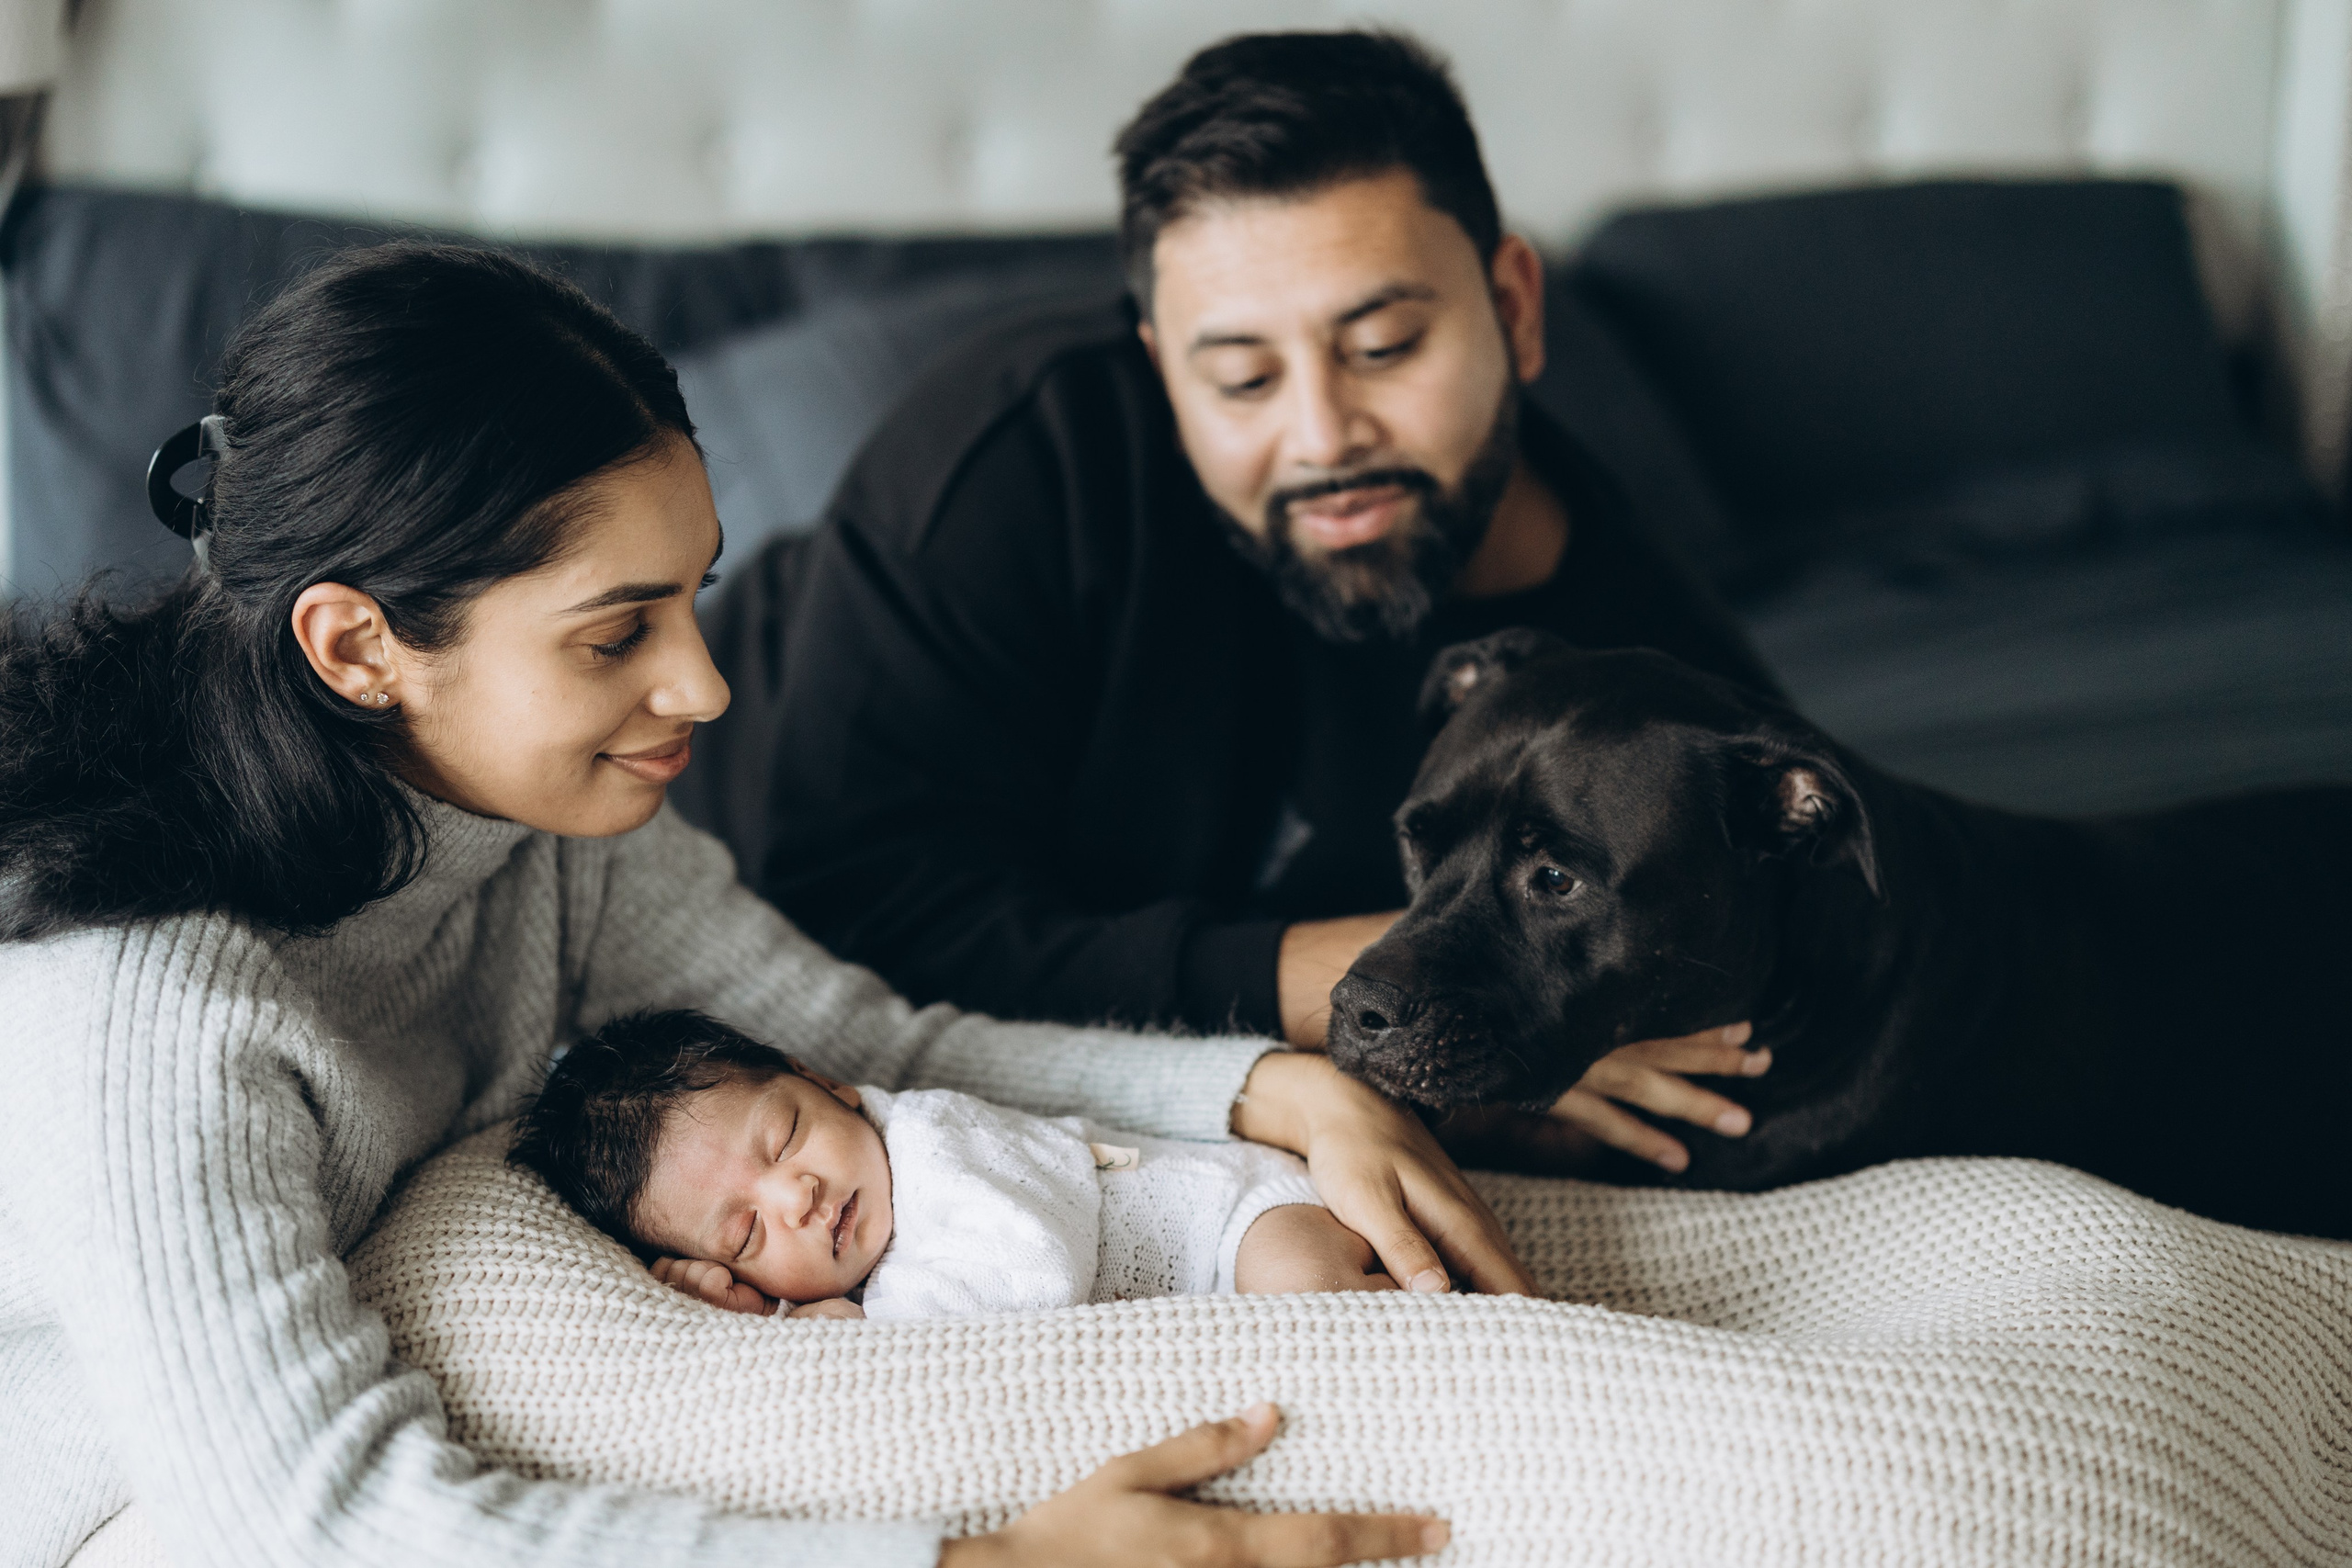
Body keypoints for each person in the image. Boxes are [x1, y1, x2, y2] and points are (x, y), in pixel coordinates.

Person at [0, 243, 1510, 1568]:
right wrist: (977, 1560)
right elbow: (308, 1522)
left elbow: (862, 1041)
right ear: (357, 646)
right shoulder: (158, 1012)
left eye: (694, 594)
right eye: (617, 635)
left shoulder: (537, 822)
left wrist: (1267, 1093)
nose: (703, 688)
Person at [761, 30, 1777, 1176]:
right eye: (1242, 378)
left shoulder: (1636, 662)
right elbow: (851, 933)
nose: (1322, 435)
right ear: (1160, 369)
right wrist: (1382, 975)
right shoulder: (1008, 461)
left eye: (1385, 347)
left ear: (1514, 308)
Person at [512, 1008, 1392, 1320]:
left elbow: (1031, 1271)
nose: (796, 1193)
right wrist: (758, 1320)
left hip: (1237, 1218)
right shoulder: (838, 1272)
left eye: (784, 1139)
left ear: (827, 1084)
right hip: (1184, 1300)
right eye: (746, 1230)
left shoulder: (936, 1142)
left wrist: (855, 1333)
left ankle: (1430, 1337)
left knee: (1305, 1311)